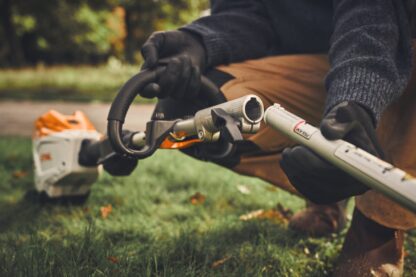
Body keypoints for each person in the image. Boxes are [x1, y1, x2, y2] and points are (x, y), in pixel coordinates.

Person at [137, 1, 416, 275]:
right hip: (318, 63)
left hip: (389, 46)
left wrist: (355, 98)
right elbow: (252, 14)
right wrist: (199, 41)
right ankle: (325, 193)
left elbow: (372, 12)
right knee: (190, 109)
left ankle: (377, 231)